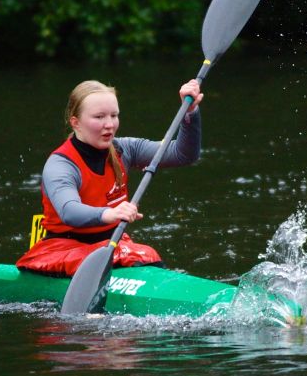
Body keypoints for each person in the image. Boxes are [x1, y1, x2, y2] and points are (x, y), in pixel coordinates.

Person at [16, 79, 203, 277]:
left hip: (113, 243)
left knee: (148, 254)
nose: (109, 124)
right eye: (99, 117)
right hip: (64, 248)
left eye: (114, 115)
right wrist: (110, 214)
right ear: (75, 123)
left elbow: (183, 154)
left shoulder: (126, 149)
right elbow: (69, 211)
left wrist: (189, 113)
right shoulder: (61, 165)